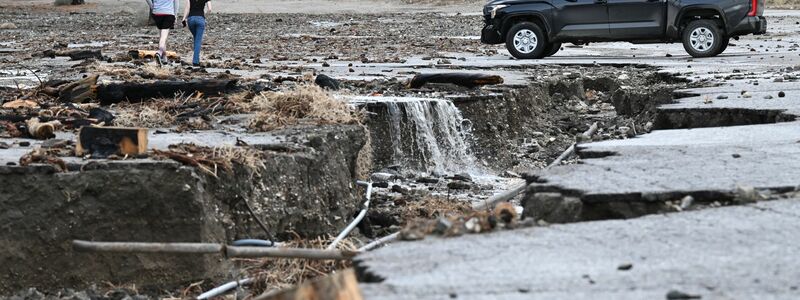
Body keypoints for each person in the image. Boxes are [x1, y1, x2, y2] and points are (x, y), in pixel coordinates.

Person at [145, 0, 179, 66]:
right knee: (163, 37)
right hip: (168, 13)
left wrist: (152, 6)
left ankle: (164, 58)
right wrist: (175, 15)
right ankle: (159, 52)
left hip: (157, 13)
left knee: (161, 36)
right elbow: (176, 3)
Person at [182, 0, 212, 66]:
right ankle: (195, 61)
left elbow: (187, 8)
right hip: (200, 19)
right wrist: (204, 16)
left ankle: (196, 58)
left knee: (196, 39)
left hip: (191, 19)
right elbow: (209, 9)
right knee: (198, 40)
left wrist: (184, 18)